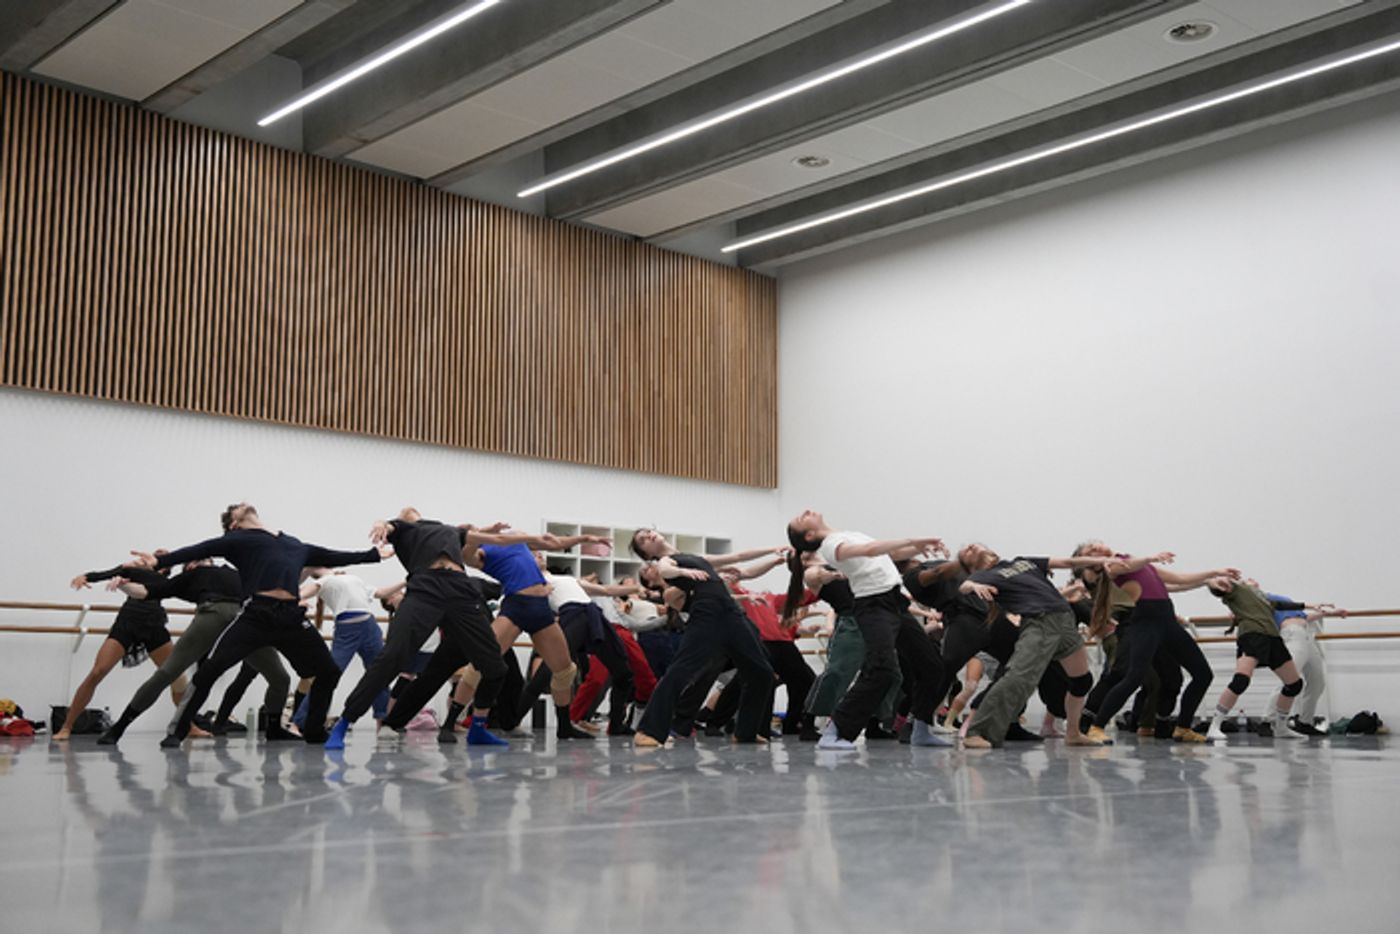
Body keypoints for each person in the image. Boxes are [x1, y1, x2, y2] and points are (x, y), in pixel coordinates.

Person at [128, 502, 385, 746]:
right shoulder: (237, 540)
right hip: (257, 615)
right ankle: (178, 731)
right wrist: (160, 562)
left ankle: (314, 730)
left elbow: (332, 555)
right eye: (234, 509)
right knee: (209, 670)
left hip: (290, 617)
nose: (242, 503)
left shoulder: (292, 543)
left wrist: (374, 555)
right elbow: (201, 549)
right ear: (235, 524)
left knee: (328, 672)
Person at [328, 510, 549, 749]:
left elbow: (491, 539)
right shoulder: (407, 530)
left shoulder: (449, 530)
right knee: (392, 656)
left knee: (495, 666)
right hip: (426, 587)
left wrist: (526, 538)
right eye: (406, 514)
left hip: (460, 590)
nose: (411, 513)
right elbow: (389, 526)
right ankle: (344, 722)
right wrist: (382, 524)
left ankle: (477, 729)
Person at [785, 510, 948, 750]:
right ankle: (835, 731)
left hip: (896, 603)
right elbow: (871, 550)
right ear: (809, 534)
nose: (805, 512)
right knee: (880, 670)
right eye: (800, 519)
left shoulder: (849, 534)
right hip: (873, 606)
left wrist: (917, 548)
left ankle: (920, 728)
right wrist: (914, 540)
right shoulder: (830, 546)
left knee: (932, 666)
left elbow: (888, 554)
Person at [96, 554, 290, 745]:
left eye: (205, 559)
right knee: (167, 673)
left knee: (281, 677)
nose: (203, 561)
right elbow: (145, 591)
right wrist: (123, 584)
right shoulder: (189, 579)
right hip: (213, 613)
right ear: (190, 568)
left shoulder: (237, 573)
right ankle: (119, 727)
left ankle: (274, 728)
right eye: (195, 561)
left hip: (247, 619)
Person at [438, 529, 611, 742]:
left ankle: (564, 726)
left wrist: (585, 538)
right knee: (479, 665)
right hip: (516, 606)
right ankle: (450, 723)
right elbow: (468, 556)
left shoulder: (522, 544)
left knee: (565, 670)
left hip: (540, 609)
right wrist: (476, 538)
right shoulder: (484, 550)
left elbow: (553, 541)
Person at [628, 529, 782, 748]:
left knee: (762, 673)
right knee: (681, 671)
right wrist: (684, 573)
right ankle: (648, 731)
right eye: (643, 540)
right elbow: (666, 570)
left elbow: (738, 557)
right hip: (706, 615)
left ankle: (746, 731)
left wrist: (773, 550)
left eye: (649, 532)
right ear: (645, 553)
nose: (649, 536)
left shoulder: (697, 558)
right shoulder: (667, 561)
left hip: (731, 613)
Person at [1074, 542, 1233, 744]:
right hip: (1145, 623)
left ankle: (1183, 728)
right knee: (1133, 678)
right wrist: (1151, 557)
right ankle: (1097, 727)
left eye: (1095, 546)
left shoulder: (1136, 562)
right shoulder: (1111, 566)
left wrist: (1213, 573)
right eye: (1089, 552)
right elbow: (1132, 566)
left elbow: (1179, 579)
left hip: (1167, 621)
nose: (1096, 549)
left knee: (1203, 674)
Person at [955, 544, 1112, 749]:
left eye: (974, 544)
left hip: (1064, 619)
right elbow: (963, 587)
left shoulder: (1021, 561)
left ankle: (1073, 733)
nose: (972, 546)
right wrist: (974, 586)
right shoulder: (985, 576)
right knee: (1017, 679)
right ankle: (976, 732)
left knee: (1082, 681)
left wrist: (1101, 561)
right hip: (1040, 622)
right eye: (967, 550)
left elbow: (1068, 562)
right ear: (969, 566)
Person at [1203, 578, 1344, 742]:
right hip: (1252, 637)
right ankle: (1215, 726)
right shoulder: (1238, 591)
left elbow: (1283, 606)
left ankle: (1281, 728)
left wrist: (1312, 606)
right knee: (1241, 680)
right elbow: (1214, 584)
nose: (1250, 580)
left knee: (1294, 685)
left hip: (1272, 639)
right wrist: (1218, 577)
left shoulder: (1262, 597)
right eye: (1245, 580)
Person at [57, 558, 176, 741]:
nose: (151, 556)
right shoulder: (133, 571)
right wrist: (86, 577)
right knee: (98, 671)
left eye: (161, 556)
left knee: (176, 676)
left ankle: (189, 725)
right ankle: (67, 726)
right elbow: (107, 573)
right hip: (127, 623)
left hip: (155, 626)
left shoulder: (166, 582)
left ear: (164, 567)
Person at [291, 569, 402, 732]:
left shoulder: (356, 581)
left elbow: (381, 592)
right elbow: (304, 592)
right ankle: (298, 722)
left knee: (380, 674)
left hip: (369, 627)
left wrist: (407, 580)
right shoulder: (327, 580)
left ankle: (383, 722)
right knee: (328, 677)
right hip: (347, 629)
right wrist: (295, 600)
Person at [1267, 587, 1344, 736]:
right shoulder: (1260, 598)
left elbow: (1304, 618)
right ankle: (1268, 720)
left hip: (1306, 633)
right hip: (1292, 633)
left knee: (1317, 681)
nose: (1250, 580)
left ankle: (1304, 721)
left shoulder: (1286, 601)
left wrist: (1328, 613)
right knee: (1290, 679)